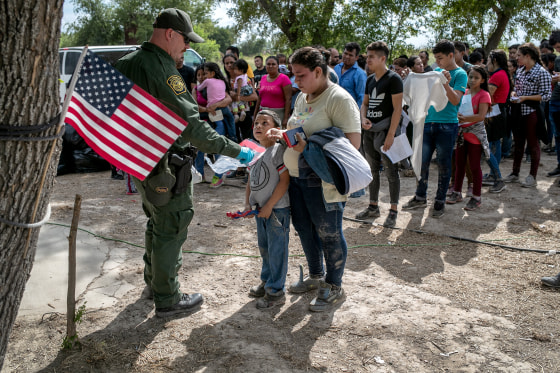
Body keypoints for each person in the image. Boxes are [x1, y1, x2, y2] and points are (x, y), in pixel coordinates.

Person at [114, 8, 254, 318]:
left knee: (156, 221)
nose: (187, 47)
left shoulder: (127, 62)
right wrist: (236, 151)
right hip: (165, 164)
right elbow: (191, 126)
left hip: (141, 161)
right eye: (185, 40)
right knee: (172, 225)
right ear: (169, 34)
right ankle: (168, 298)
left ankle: (154, 283)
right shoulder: (161, 68)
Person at [268, 47, 361, 312]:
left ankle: (334, 286)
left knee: (329, 233)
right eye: (294, 76)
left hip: (323, 182)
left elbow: (352, 145)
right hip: (297, 179)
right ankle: (316, 275)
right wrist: (283, 133)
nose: (296, 81)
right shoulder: (302, 97)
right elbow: (299, 128)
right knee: (305, 230)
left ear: (318, 72)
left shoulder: (339, 99)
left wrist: (307, 147)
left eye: (300, 75)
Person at [402, 39, 468, 218]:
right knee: (422, 162)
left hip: (447, 124)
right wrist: (410, 77)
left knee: (444, 164)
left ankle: (439, 200)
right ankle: (420, 196)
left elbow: (455, 100)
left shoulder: (460, 74)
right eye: (435, 58)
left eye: (440, 58)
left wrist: (445, 83)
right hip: (428, 122)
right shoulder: (435, 72)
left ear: (451, 55)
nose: (437, 62)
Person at [243, 110, 290, 309]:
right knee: (265, 248)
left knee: (277, 249)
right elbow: (249, 182)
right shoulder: (255, 153)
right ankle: (266, 280)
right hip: (260, 210)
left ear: (276, 129)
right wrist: (247, 203)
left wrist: (270, 205)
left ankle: (276, 291)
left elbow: (285, 181)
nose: (259, 126)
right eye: (256, 123)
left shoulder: (278, 151)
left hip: (277, 210)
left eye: (265, 123)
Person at [355, 41, 403, 228]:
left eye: (371, 57)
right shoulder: (369, 79)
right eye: (367, 57)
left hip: (385, 132)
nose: (368, 60)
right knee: (372, 170)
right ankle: (373, 206)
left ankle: (393, 210)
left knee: (392, 172)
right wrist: (363, 118)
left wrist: (391, 135)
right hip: (369, 131)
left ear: (383, 58)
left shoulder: (394, 79)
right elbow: (365, 103)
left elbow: (398, 109)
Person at [503, 43, 552, 188]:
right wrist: (514, 94)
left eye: (519, 55)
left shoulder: (541, 72)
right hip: (518, 111)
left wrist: (526, 98)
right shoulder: (520, 70)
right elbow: (516, 89)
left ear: (528, 56)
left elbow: (546, 95)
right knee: (518, 143)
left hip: (531, 112)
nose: (516, 58)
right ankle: (515, 173)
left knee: (532, 144)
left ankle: (532, 176)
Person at [448, 66, 493, 210]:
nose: (472, 80)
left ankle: (476, 197)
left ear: (483, 80)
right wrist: (458, 117)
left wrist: (464, 118)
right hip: (461, 133)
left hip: (475, 134)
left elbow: (481, 116)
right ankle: (456, 192)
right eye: (471, 77)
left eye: (476, 78)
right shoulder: (464, 92)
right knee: (459, 164)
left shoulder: (484, 94)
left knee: (474, 166)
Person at [481, 50, 510, 193]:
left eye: (488, 61)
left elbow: (488, 95)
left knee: (489, 146)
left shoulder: (497, 76)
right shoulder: (502, 74)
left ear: (495, 61)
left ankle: (497, 176)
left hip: (494, 113)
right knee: (495, 144)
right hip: (499, 112)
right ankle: (493, 174)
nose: (486, 64)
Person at [254, 56, 292, 129]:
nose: (270, 66)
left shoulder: (284, 78)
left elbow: (288, 99)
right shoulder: (263, 78)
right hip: (263, 113)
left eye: (273, 64)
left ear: (277, 66)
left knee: (276, 137)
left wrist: (285, 118)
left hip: (278, 114)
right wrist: (255, 115)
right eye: (268, 64)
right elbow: (259, 98)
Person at [334, 42, 367, 108]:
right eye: (345, 53)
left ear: (356, 57)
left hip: (349, 112)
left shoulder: (360, 74)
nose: (347, 57)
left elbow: (361, 98)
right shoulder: (336, 68)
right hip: (333, 110)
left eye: (350, 55)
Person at [547, 30, 560, 179]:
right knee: (558, 136)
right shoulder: (557, 60)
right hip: (555, 100)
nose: (557, 50)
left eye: (558, 47)